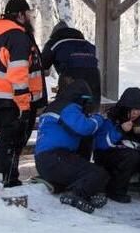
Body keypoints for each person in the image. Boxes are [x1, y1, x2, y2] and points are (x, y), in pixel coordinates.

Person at [0, 0, 47, 187]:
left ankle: (7, 178)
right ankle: (4, 181)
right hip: (15, 101)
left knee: (6, 139)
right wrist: (24, 107)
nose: (30, 18)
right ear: (20, 15)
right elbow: (18, 73)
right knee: (12, 142)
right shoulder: (17, 36)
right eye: (28, 14)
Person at [34, 80, 110, 213]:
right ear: (80, 98)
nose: (87, 105)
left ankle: (56, 184)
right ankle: (75, 195)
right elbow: (84, 128)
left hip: (45, 161)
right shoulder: (68, 107)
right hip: (55, 158)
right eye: (86, 101)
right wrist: (99, 118)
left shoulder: (54, 106)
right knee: (98, 173)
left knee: (81, 169)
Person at [41, 21, 101, 160]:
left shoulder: (54, 42)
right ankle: (85, 159)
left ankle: (69, 159)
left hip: (71, 81)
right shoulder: (86, 43)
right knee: (87, 116)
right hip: (94, 82)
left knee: (70, 118)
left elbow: (42, 65)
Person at [101, 87, 140, 203]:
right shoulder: (111, 118)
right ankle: (115, 190)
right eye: (131, 109)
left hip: (132, 152)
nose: (135, 113)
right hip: (108, 155)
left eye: (138, 109)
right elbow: (101, 144)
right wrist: (120, 130)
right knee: (131, 156)